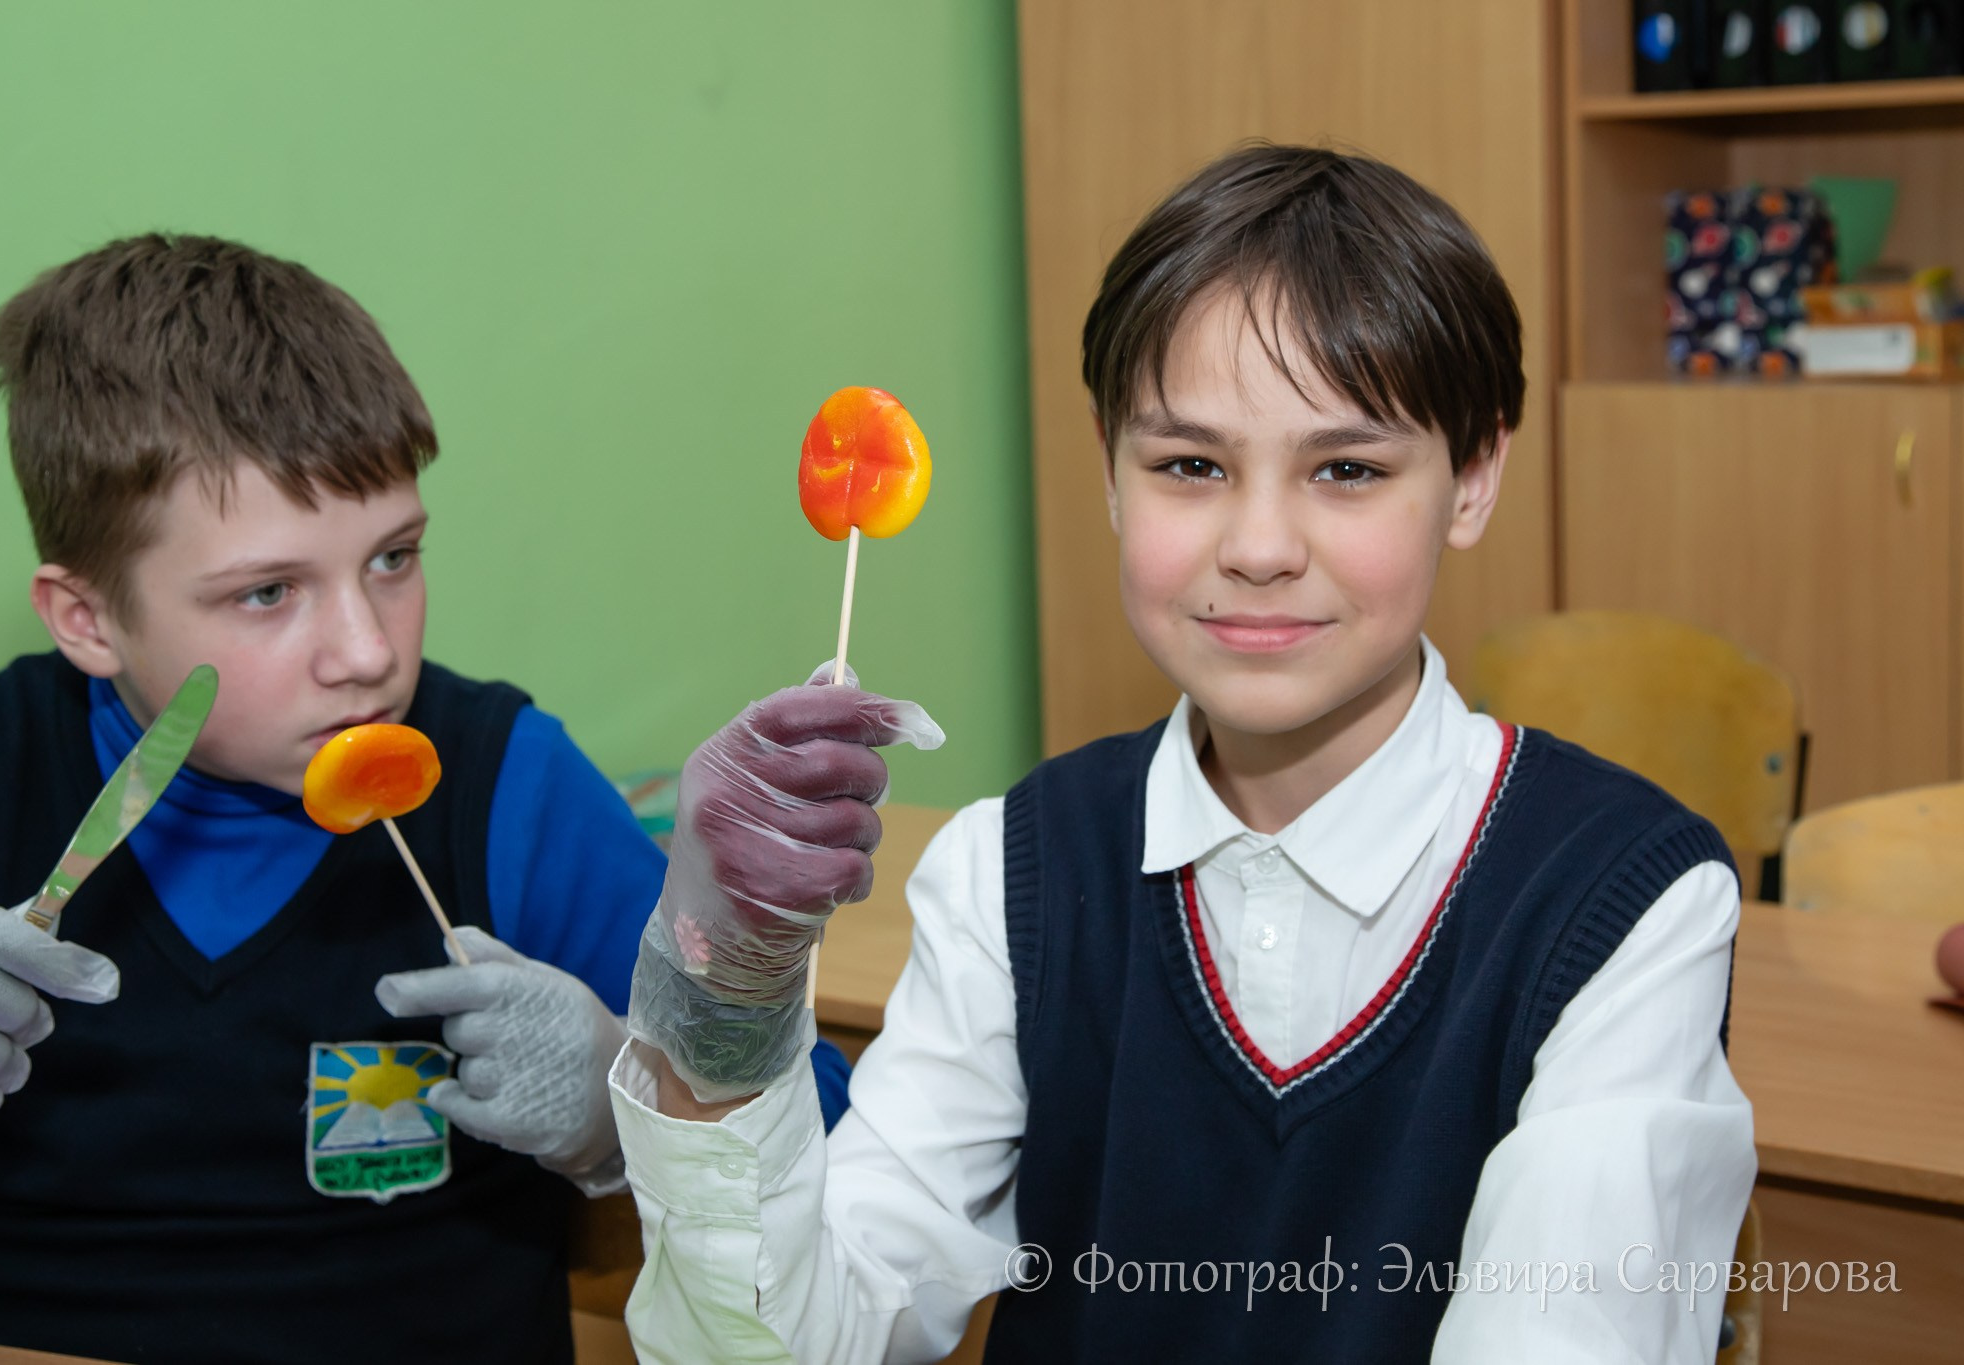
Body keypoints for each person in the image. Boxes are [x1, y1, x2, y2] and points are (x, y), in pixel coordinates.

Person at [607, 145, 1756, 1362]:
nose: (1258, 544)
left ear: (1471, 479)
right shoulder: (1012, 874)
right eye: (1190, 466)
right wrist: (721, 1004)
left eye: (1347, 469)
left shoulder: (1626, 902)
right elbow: (793, 1345)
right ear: (1110, 469)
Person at [0, 233, 850, 1365]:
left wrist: (626, 1104)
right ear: (87, 619)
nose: (365, 653)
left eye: (393, 558)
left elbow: (831, 1141)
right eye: (268, 592)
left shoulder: (507, 784)